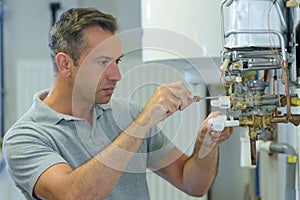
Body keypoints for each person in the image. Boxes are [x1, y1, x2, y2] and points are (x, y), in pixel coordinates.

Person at [3, 7, 233, 200]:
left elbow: (192, 183)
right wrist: (143, 122)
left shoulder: (127, 114)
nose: (116, 75)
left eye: (117, 61)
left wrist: (206, 144)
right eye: (102, 62)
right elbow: (73, 195)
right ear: (64, 64)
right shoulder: (25, 137)